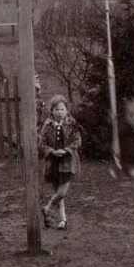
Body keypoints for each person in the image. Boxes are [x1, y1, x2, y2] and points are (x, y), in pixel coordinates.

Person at [39, 95, 82, 230]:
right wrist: (51, 151)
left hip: (68, 161)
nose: (59, 112)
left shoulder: (71, 123)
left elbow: (77, 140)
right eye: (56, 109)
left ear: (66, 110)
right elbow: (42, 143)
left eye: (62, 109)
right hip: (53, 161)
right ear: (51, 111)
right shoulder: (47, 125)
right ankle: (63, 220)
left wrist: (66, 150)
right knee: (57, 191)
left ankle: (47, 208)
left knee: (62, 192)